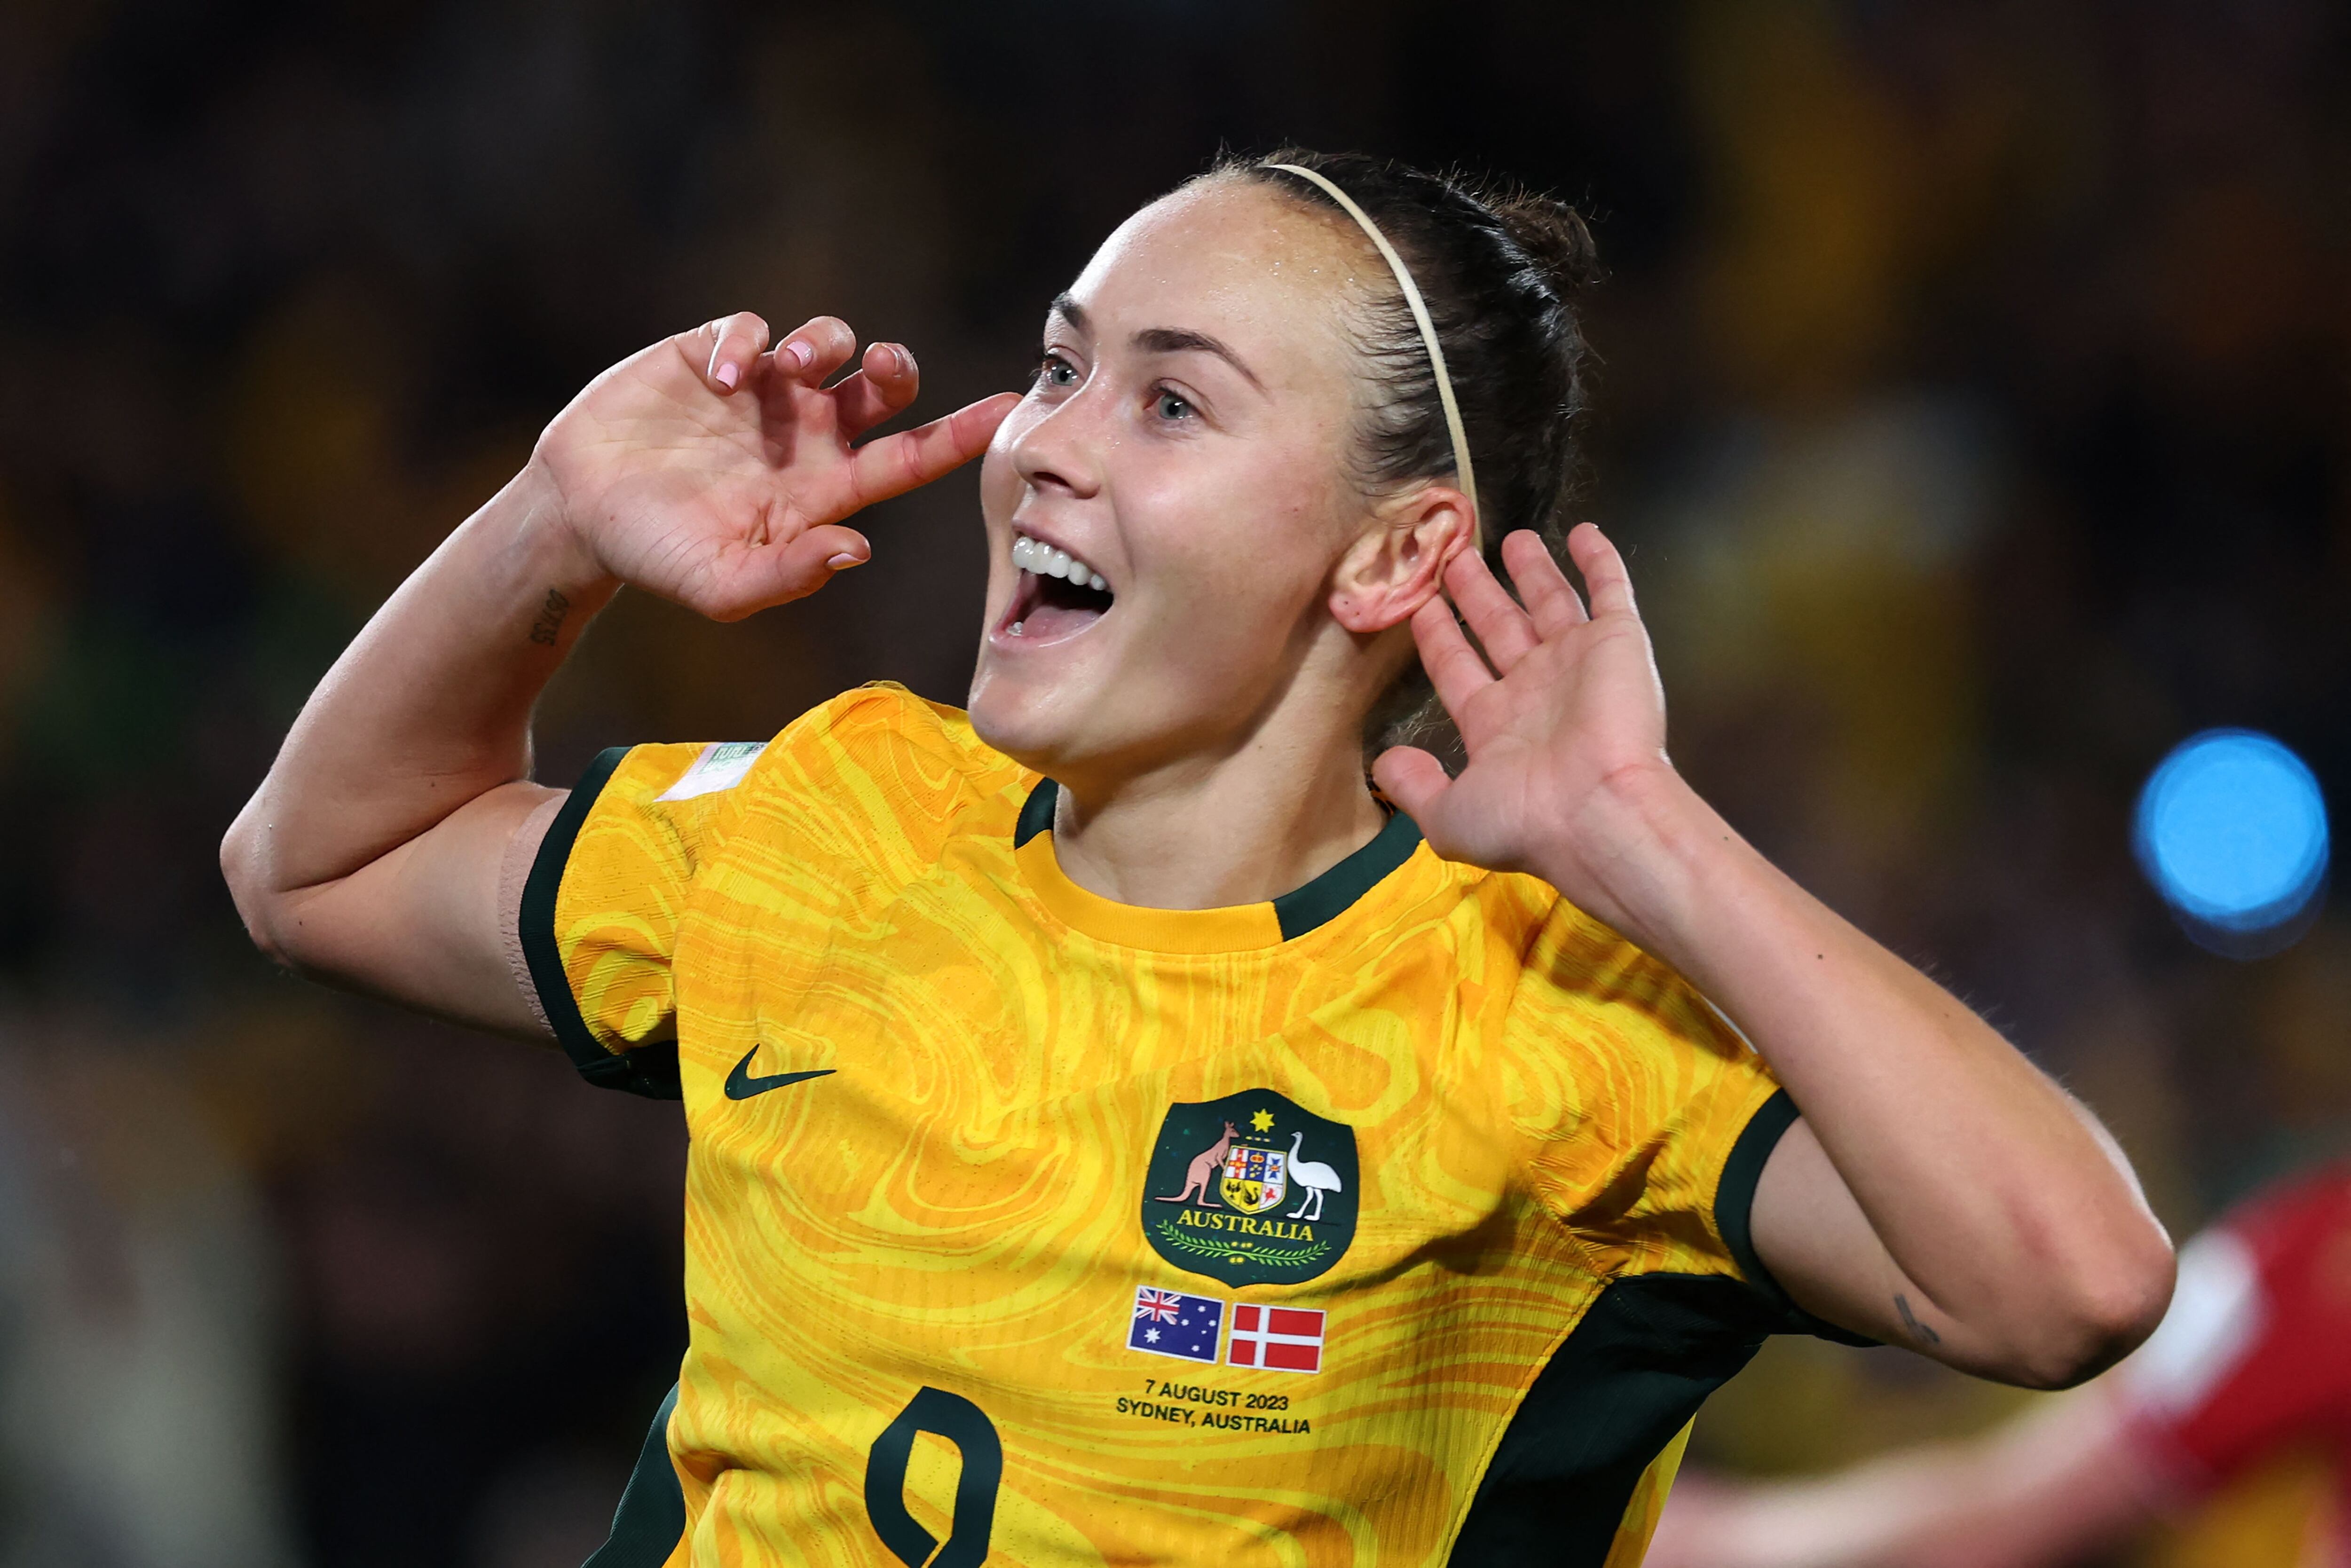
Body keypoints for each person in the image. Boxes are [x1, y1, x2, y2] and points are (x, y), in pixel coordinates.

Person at [220, 149, 2173, 1567]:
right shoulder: (840, 822)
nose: (1045, 445)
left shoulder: (1542, 1008)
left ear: (1395, 554)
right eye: (1062, 367)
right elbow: (318, 868)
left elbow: (2065, 1287)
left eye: (1169, 401)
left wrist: (1639, 838)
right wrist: (552, 524)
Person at [1644, 1160, 2351, 1568]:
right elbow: (1998, 1517)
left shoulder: (2315, 1267)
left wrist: (1722, 1547)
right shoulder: (2311, 1274)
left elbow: (1996, 1521)